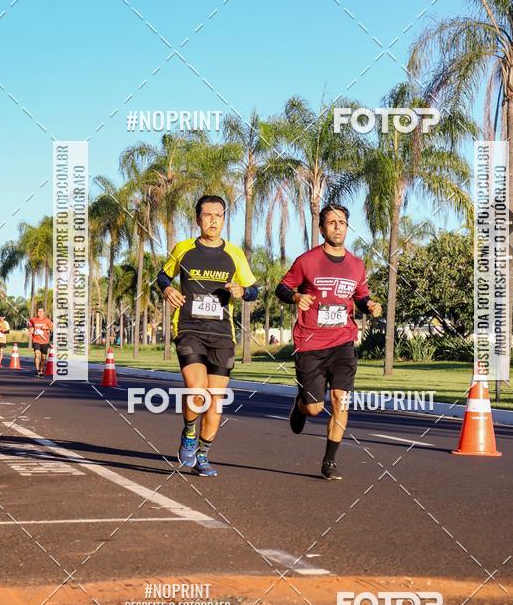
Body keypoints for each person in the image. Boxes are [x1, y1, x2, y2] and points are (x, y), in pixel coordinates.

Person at [275, 204, 382, 480]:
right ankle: (301, 405)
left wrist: (369, 305)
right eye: (332, 223)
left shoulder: (356, 265)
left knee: (340, 400)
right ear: (322, 229)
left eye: (342, 222)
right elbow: (282, 288)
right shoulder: (306, 261)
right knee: (314, 408)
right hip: (310, 342)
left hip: (343, 341)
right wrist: (296, 297)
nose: (337, 227)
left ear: (347, 227)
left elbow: (360, 296)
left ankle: (329, 461)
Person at [157, 195, 258, 477]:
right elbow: (163, 276)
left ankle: (202, 454)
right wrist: (168, 289)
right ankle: (189, 432)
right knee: (197, 391)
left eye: (219, 215)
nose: (213, 220)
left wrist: (241, 291)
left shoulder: (234, 254)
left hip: (222, 335)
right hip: (189, 328)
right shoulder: (184, 249)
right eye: (208, 215)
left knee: (215, 401)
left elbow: (253, 290)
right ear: (197, 219)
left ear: (224, 219)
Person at [28, 307, 54, 377]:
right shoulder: (33, 319)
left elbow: (52, 328)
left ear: (44, 313)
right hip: (36, 340)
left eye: (41, 311)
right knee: (37, 355)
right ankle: (37, 370)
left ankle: (41, 370)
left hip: (45, 341)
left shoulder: (47, 320)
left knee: (43, 357)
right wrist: (30, 331)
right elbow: (30, 327)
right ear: (37, 312)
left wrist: (46, 328)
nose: (40, 312)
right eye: (38, 311)